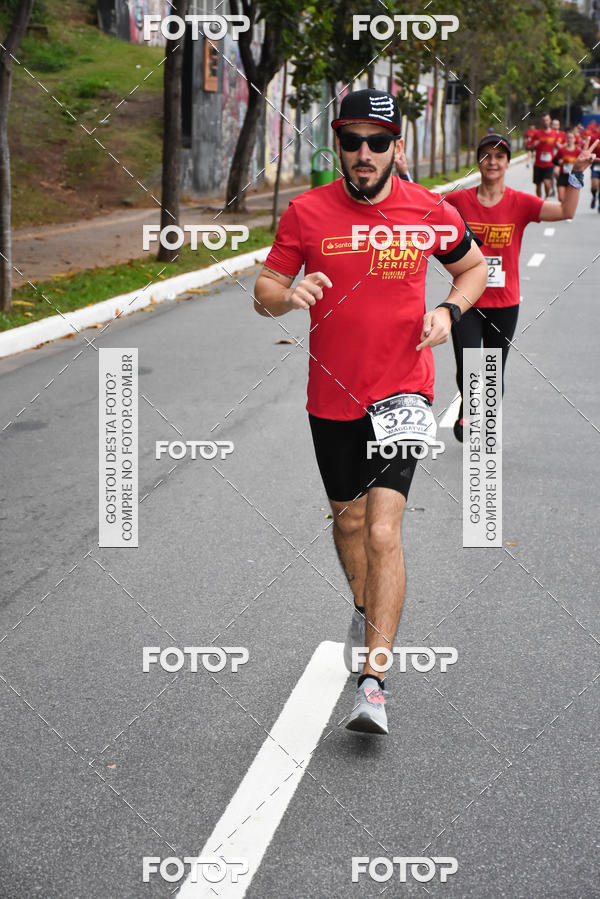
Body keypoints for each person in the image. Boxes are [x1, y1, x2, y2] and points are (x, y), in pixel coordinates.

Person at [253, 89, 488, 735]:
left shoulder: (430, 211)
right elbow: (264, 290)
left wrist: (449, 310)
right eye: (352, 140)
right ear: (339, 146)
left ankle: (374, 683)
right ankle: (363, 604)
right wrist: (288, 294)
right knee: (348, 521)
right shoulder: (306, 211)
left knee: (384, 531)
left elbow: (474, 268)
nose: (364, 153)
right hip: (332, 397)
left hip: (404, 390)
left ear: (397, 148)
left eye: (377, 141)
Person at [443, 132, 597, 441]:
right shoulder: (458, 201)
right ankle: (467, 409)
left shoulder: (520, 202)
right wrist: (404, 173)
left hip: (504, 303)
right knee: (468, 365)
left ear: (507, 163)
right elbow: (421, 211)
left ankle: (485, 420)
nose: (493, 162)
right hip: (466, 300)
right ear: (479, 161)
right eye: (486, 156)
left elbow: (566, 211)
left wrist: (577, 173)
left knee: (493, 372)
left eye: (499, 157)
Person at [531, 113, 560, 198]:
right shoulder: (537, 133)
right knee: (538, 185)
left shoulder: (555, 134)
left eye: (547, 120)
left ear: (550, 120)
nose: (545, 122)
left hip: (549, 164)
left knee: (547, 183)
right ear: (541, 122)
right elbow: (529, 147)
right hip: (538, 164)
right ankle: (539, 201)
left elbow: (559, 147)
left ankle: (546, 198)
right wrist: (533, 145)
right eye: (544, 120)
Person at [555, 131, 581, 202]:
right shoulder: (562, 150)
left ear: (574, 139)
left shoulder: (578, 151)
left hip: (573, 177)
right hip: (563, 176)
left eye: (571, 138)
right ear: (566, 139)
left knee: (569, 200)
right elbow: (554, 160)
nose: (569, 139)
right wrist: (558, 163)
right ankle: (564, 211)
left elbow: (582, 164)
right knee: (561, 198)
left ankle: (566, 212)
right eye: (568, 138)